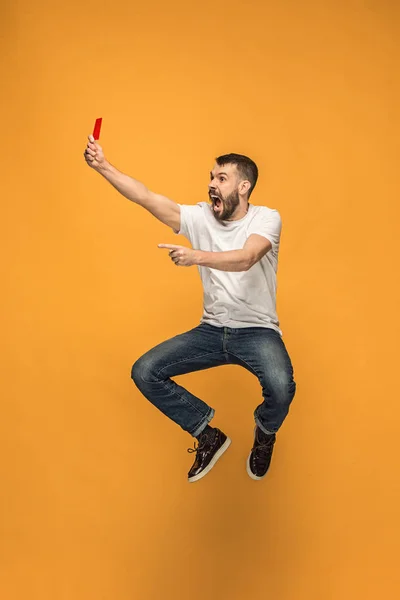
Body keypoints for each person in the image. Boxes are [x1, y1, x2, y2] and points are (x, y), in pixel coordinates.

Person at [84, 134, 296, 483]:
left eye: (221, 178)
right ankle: (207, 435)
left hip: (257, 331)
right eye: (211, 177)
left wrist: (195, 256)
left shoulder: (266, 219)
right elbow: (145, 197)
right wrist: (103, 166)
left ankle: (265, 431)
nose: (212, 184)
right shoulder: (199, 217)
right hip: (211, 331)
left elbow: (247, 257)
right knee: (145, 371)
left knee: (281, 388)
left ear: (243, 187)